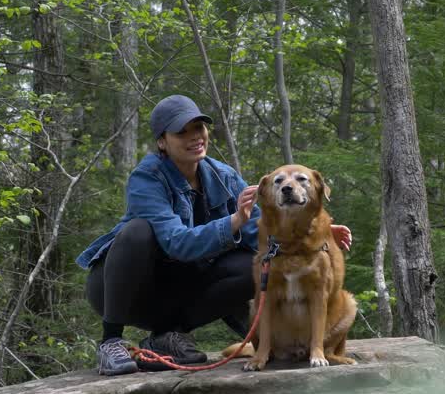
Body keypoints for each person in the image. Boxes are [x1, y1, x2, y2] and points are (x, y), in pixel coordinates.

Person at [75, 94, 351, 375]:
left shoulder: (223, 175)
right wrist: (232, 221)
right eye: (182, 132)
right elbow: (177, 243)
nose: (195, 137)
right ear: (162, 142)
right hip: (124, 292)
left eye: (199, 128)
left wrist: (316, 234)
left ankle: (166, 337)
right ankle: (111, 342)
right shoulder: (146, 178)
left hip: (179, 288)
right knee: (137, 232)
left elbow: (262, 233)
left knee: (253, 266)